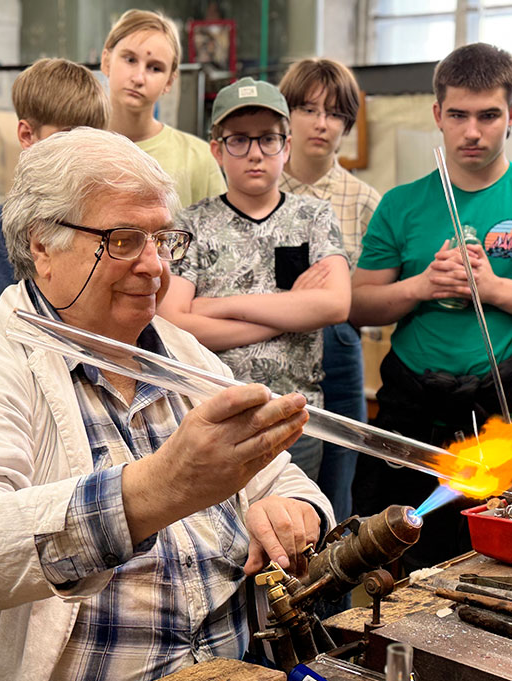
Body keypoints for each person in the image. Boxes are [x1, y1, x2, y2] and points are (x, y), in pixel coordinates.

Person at [0, 127, 334, 681]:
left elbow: (278, 474)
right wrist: (158, 490)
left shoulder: (182, 354)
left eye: (163, 241)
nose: (155, 267)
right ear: (42, 245)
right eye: (123, 240)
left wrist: (293, 508)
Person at [350, 43, 512, 569]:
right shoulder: (401, 204)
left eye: (489, 115)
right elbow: (357, 305)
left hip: (506, 405)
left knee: (507, 562)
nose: (473, 132)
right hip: (411, 412)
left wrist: (494, 289)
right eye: (459, 115)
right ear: (437, 115)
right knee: (393, 558)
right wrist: (421, 286)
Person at [157, 78, 351, 482]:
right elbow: (174, 323)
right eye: (239, 141)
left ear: (287, 146)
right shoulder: (192, 223)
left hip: (297, 419)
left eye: (267, 139)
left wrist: (218, 306)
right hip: (212, 418)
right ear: (217, 150)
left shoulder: (314, 217)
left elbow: (334, 305)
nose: (255, 154)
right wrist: (291, 311)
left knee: (298, 538)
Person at [278, 57, 381, 522]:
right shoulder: (256, 187)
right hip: (264, 354)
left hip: (339, 352)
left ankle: (335, 593)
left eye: (335, 113)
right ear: (286, 115)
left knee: (337, 497)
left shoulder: (364, 202)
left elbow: (370, 297)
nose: (322, 124)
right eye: (308, 109)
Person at [0, 58, 109, 310]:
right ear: (27, 135)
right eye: (68, 135)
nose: (82, 149)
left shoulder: (105, 223)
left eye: (92, 136)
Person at [101, 9, 225, 208]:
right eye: (130, 60)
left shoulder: (197, 159)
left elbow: (220, 236)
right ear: (106, 61)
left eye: (155, 68)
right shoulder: (74, 149)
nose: (139, 78)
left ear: (169, 81)